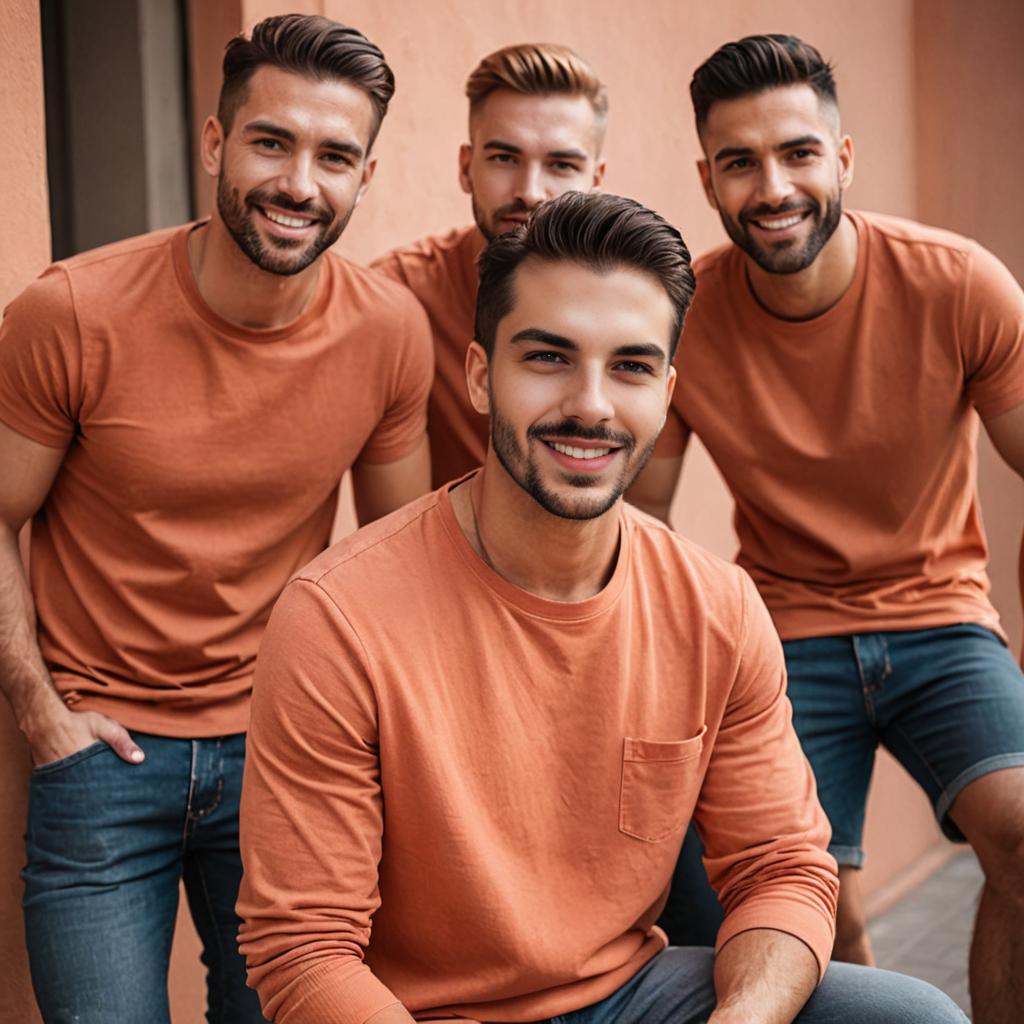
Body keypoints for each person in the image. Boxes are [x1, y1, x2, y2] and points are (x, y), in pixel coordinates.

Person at [237, 191, 966, 1024]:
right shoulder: (338, 616)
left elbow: (782, 867)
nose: (591, 405)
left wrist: (743, 1017)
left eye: (630, 366)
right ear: (480, 376)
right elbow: (305, 951)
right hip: (425, 1014)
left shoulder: (715, 604)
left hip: (631, 999)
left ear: (666, 391)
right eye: (548, 357)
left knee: (914, 1016)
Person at [0, 14, 433, 1023]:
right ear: (214, 145)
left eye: (334, 156)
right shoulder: (71, 312)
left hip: (284, 759)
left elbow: (397, 563)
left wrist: (364, 757)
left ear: (363, 179)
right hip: (98, 758)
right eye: (271, 142)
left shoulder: (387, 335)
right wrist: (40, 713)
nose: (298, 184)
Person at [627, 33, 1024, 1024]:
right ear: (707, 178)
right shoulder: (686, 318)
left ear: (841, 157)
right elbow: (640, 526)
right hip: (784, 631)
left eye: (797, 152)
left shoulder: (957, 283)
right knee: (808, 912)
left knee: (1022, 834)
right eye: (740, 161)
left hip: (941, 618)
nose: (773, 185)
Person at [373, 42, 607, 488]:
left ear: (594, 180)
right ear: (466, 167)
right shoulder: (400, 294)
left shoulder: (633, 307)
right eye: (504, 158)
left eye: (560, 164)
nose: (530, 191)